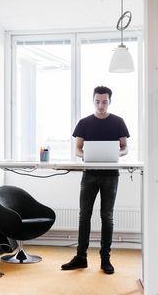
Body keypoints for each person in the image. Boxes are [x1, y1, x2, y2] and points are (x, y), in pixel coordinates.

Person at [61, 86, 129, 275]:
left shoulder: (118, 122)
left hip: (110, 175)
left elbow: (125, 148)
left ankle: (105, 258)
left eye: (104, 102)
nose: (101, 105)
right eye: (97, 101)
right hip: (89, 173)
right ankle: (81, 257)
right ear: (93, 101)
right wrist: (86, 156)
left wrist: (116, 154)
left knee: (107, 217)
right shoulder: (84, 123)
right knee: (84, 216)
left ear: (109, 101)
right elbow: (77, 149)